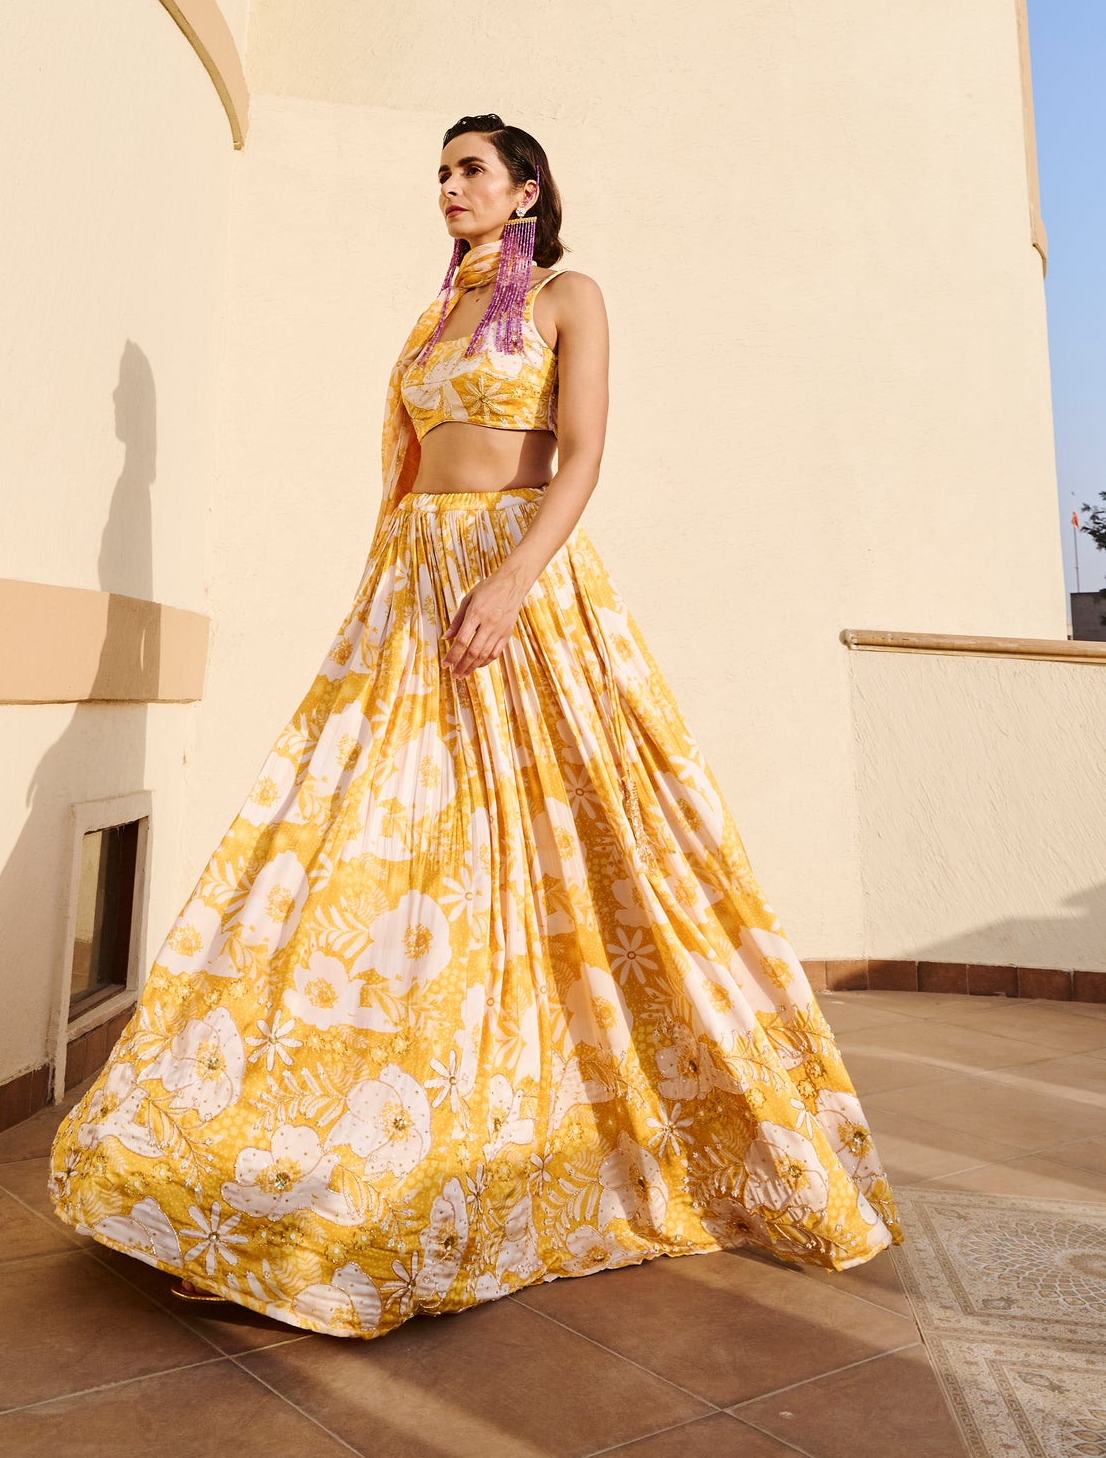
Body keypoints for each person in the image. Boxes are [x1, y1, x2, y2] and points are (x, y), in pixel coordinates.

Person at [49, 113, 900, 1338]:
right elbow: (408, 473)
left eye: (470, 171)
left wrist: (509, 583)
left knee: (586, 840)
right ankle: (298, 1125)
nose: (448, 189)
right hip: (408, 585)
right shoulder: (433, 313)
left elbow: (583, 455)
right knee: (365, 841)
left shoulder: (563, 296)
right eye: (440, 173)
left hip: (518, 577)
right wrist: (395, 594)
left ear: (525, 188)